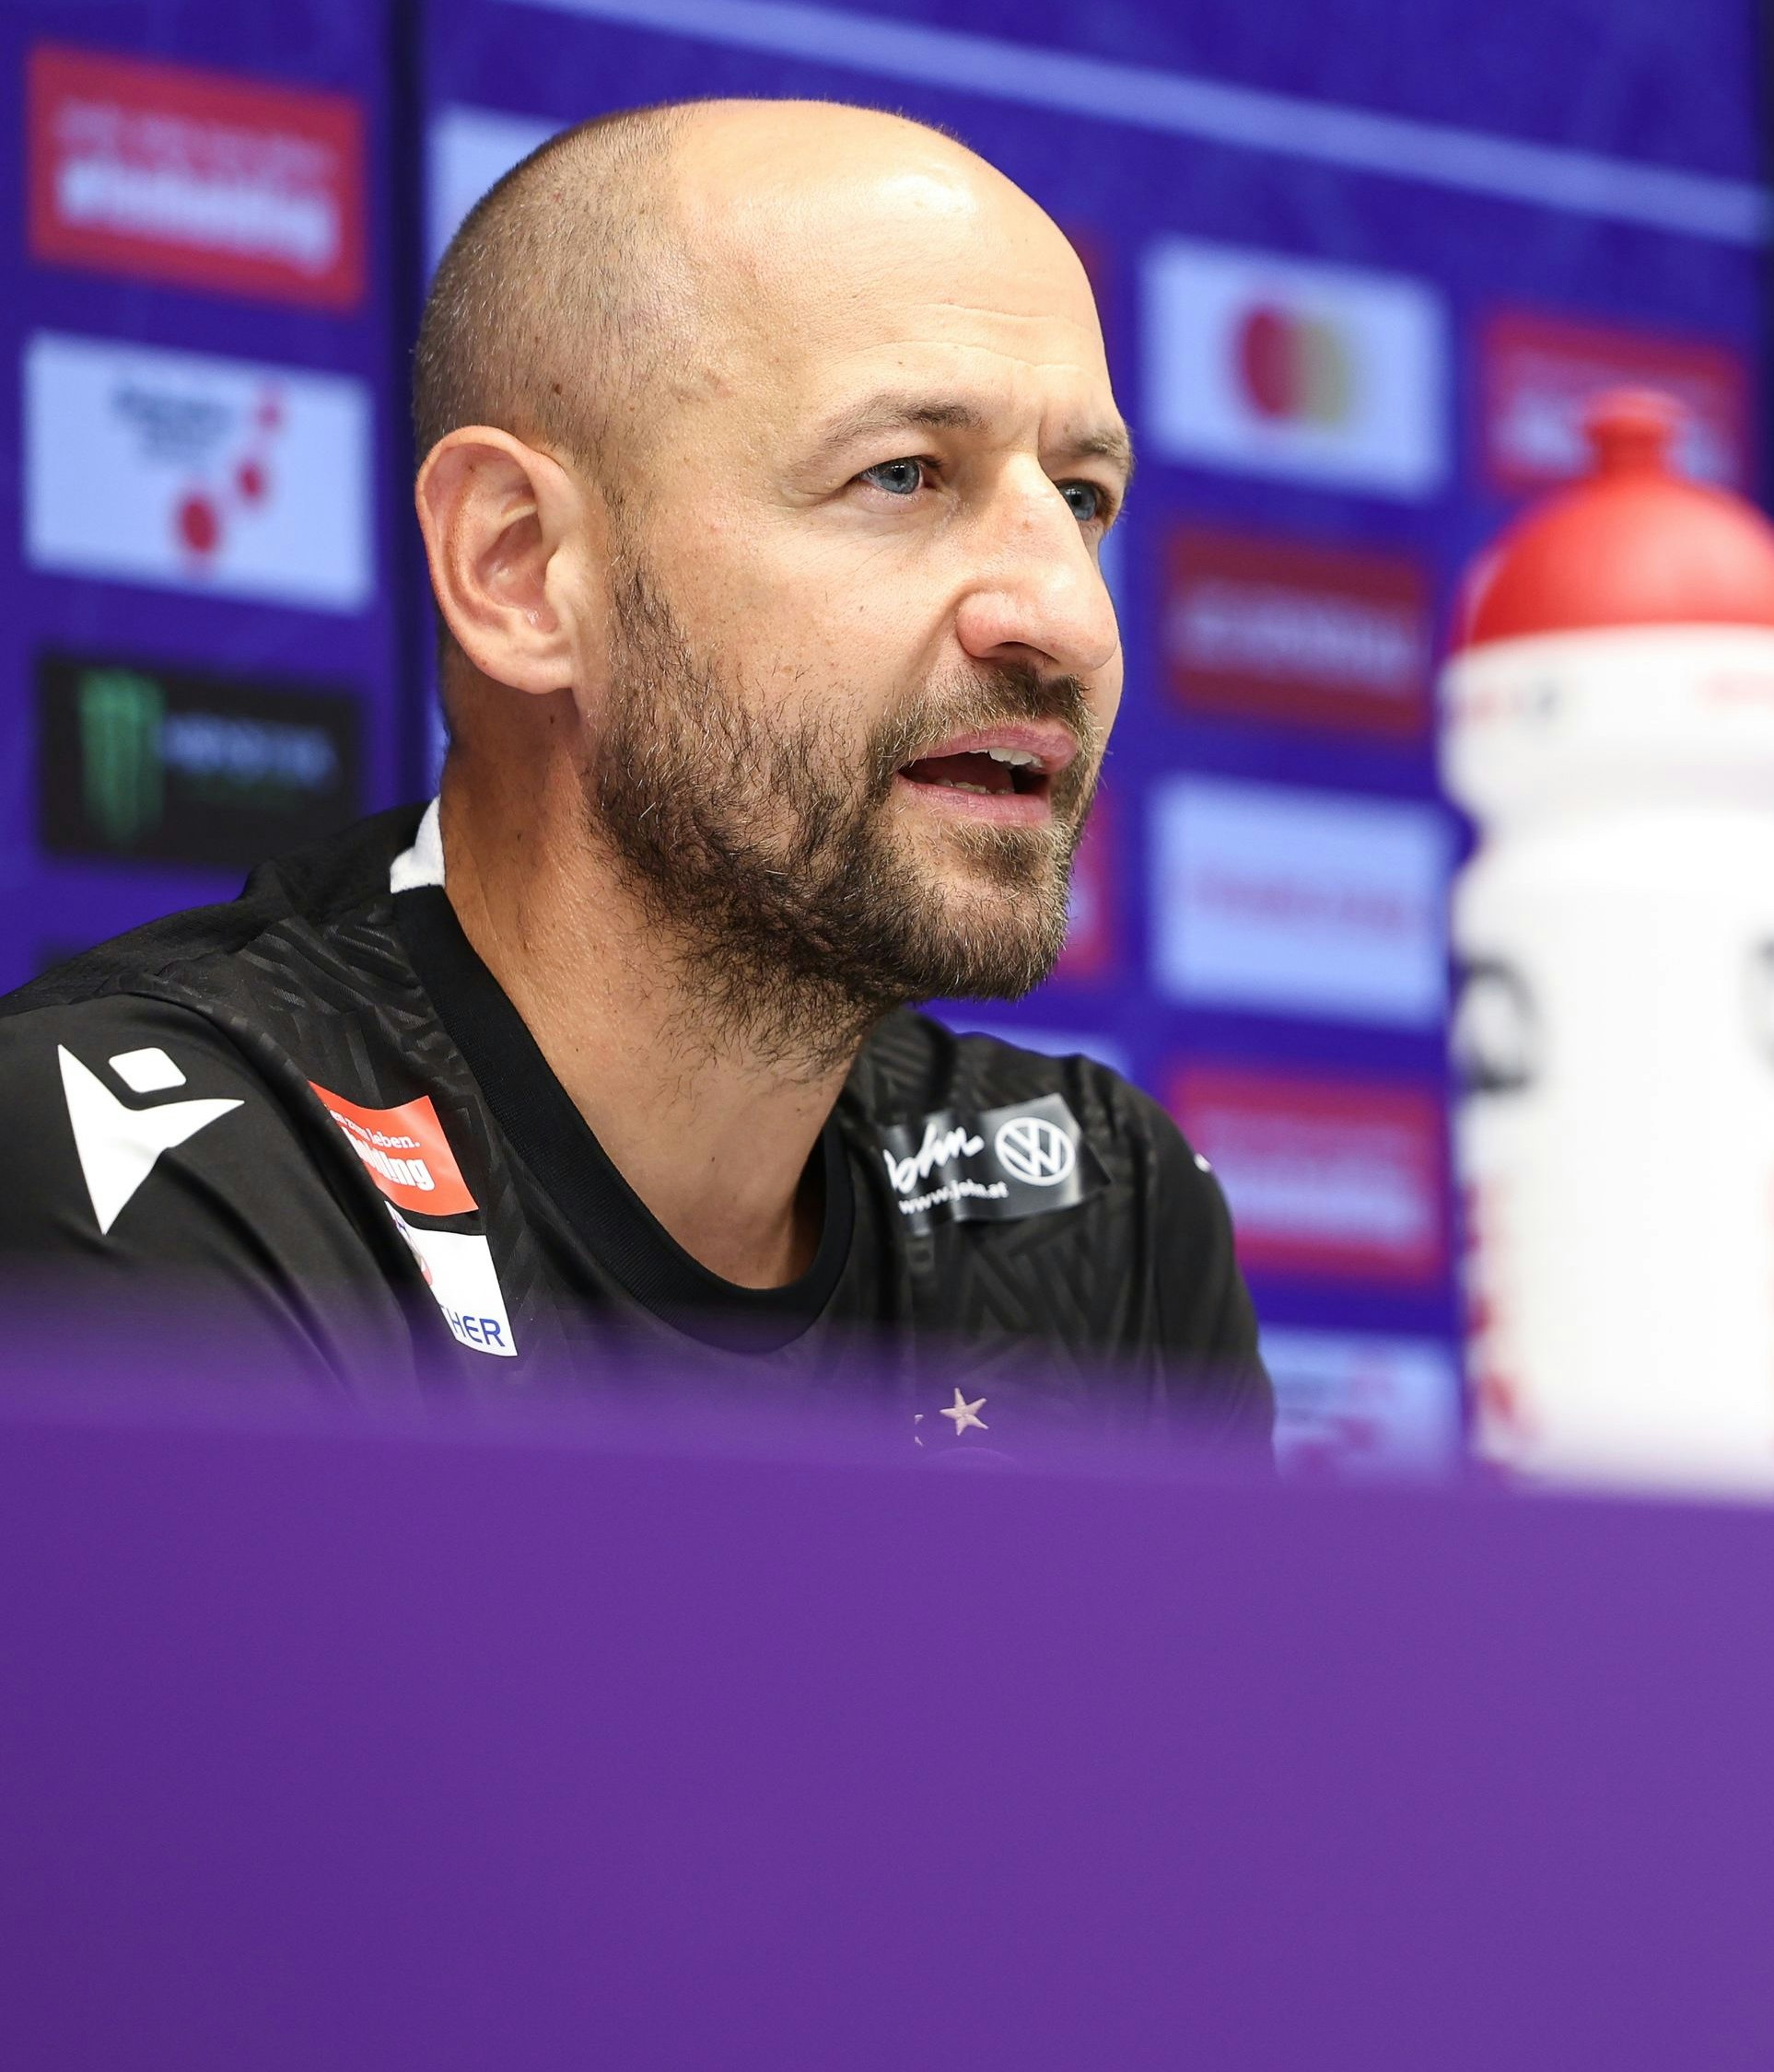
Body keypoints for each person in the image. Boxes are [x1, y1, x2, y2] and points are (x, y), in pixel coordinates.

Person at [0, 100, 1262, 1447]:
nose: (1067, 618)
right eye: (901, 475)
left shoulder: (1094, 1211)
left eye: (1081, 497)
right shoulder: (162, 1170)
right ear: (519, 570)